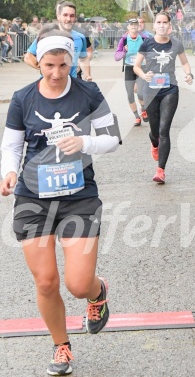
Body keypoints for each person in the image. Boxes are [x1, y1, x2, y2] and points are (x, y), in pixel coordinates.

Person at [0, 27, 120, 375]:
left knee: (78, 284)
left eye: (63, 65)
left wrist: (84, 143)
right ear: (37, 60)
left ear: (71, 61)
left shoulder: (88, 92)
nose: (55, 73)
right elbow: (11, 145)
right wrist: (8, 172)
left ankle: (97, 294)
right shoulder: (24, 98)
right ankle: (61, 346)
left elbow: (112, 137)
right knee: (46, 281)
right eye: (49, 65)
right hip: (32, 198)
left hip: (78, 197)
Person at [133, 12, 193, 184]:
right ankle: (154, 143)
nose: (161, 25)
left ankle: (161, 170)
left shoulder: (176, 44)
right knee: (154, 131)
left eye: (164, 22)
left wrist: (188, 74)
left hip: (170, 90)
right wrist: (144, 76)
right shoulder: (147, 43)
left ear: (169, 25)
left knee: (164, 130)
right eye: (158, 22)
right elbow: (137, 66)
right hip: (150, 90)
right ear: (155, 26)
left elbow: (184, 63)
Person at [24, 1, 92, 81]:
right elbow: (28, 57)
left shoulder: (80, 37)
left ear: (75, 18)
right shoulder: (47, 35)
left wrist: (87, 76)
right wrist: (45, 68)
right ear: (58, 16)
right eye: (65, 15)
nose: (68, 19)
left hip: (72, 85)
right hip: (49, 84)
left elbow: (83, 59)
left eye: (72, 16)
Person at [114, 18, 148, 126]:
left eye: (135, 25)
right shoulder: (124, 39)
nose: (133, 26)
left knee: (140, 93)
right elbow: (116, 56)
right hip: (129, 69)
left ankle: (143, 108)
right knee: (130, 95)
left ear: (138, 26)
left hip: (141, 67)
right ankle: (137, 117)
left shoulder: (144, 38)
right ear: (128, 27)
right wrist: (124, 50)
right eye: (131, 25)